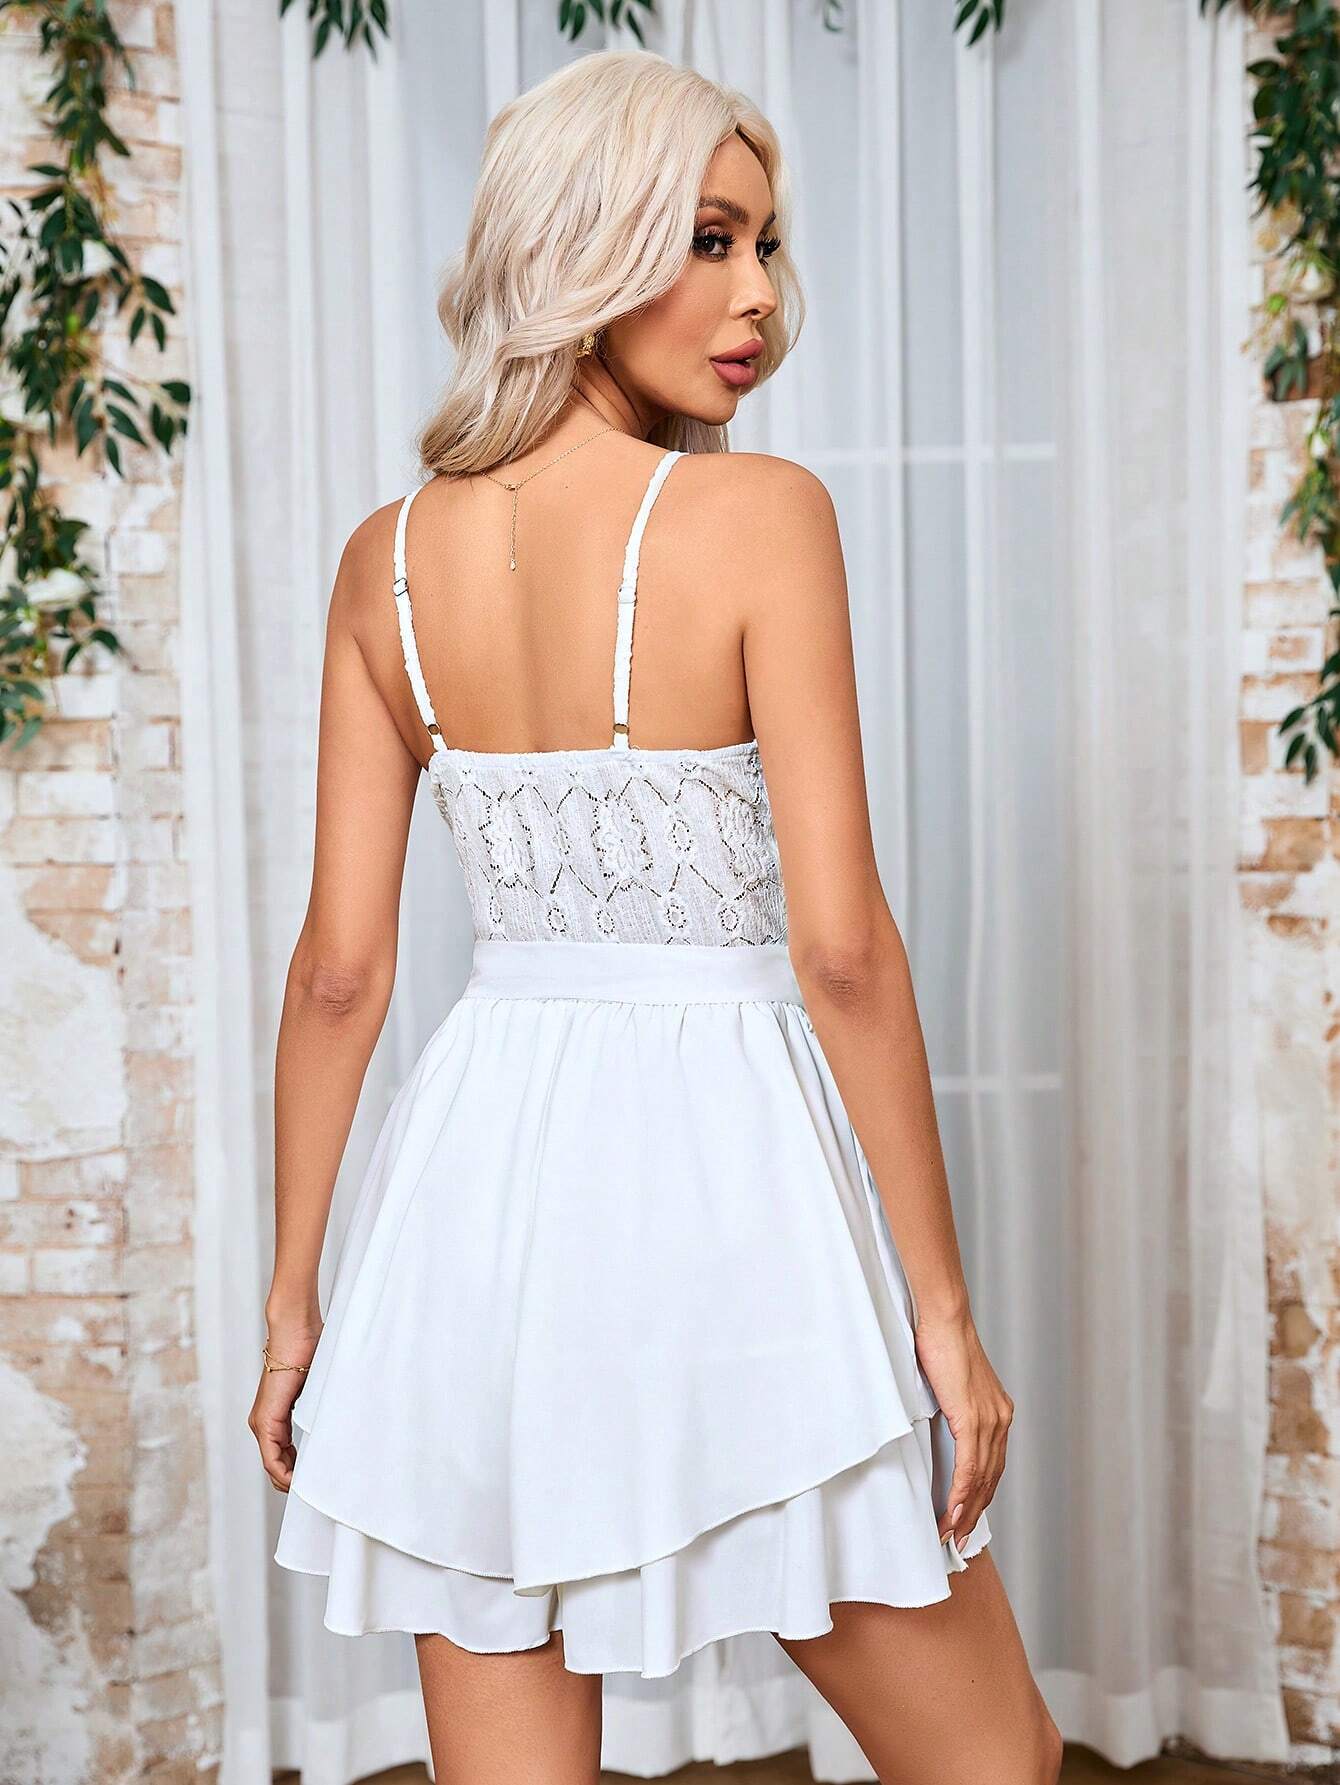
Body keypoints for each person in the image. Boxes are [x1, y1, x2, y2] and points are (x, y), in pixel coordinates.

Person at [251, 47, 1062, 1785]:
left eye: (765, 244)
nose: (758, 293)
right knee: (993, 1759)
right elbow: (843, 951)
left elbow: (338, 976)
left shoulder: (382, 562)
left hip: (475, 1204)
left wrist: (296, 1300)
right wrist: (940, 1310)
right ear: (580, 244)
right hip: (728, 1183)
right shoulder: (762, 518)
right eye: (708, 238)